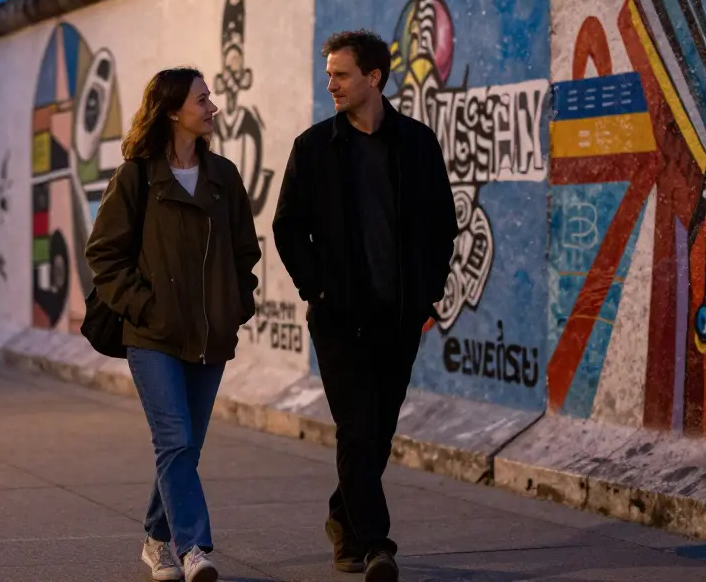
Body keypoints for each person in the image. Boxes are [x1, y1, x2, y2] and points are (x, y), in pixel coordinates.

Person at [273, 29, 456, 581]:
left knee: (376, 434)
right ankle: (376, 545)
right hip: (337, 320)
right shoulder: (313, 148)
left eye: (341, 74)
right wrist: (317, 290)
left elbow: (443, 225)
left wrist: (427, 291)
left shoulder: (417, 144)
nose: (330, 84)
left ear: (374, 78)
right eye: (328, 73)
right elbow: (287, 229)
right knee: (356, 430)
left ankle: (341, 520)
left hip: (398, 318)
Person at [86, 67, 261, 582]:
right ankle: (193, 549)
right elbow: (104, 255)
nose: (212, 107)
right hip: (152, 336)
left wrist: (236, 304)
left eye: (210, 99)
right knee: (176, 441)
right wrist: (143, 307)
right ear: (171, 111)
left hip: (211, 336)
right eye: (202, 100)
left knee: (183, 447)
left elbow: (244, 252)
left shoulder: (224, 177)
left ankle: (156, 540)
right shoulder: (136, 176)